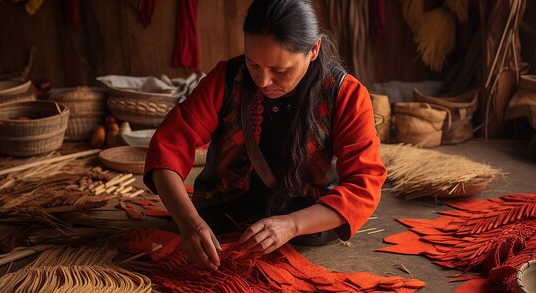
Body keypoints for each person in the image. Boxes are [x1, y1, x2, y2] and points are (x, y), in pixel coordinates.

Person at [143, 0, 386, 270]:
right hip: (226, 210)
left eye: (280, 70)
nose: (263, 81)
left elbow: (363, 185)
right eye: (253, 64)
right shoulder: (226, 79)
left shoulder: (345, 94)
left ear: (314, 49)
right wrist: (189, 222)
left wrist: (293, 224)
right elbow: (167, 147)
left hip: (310, 219)